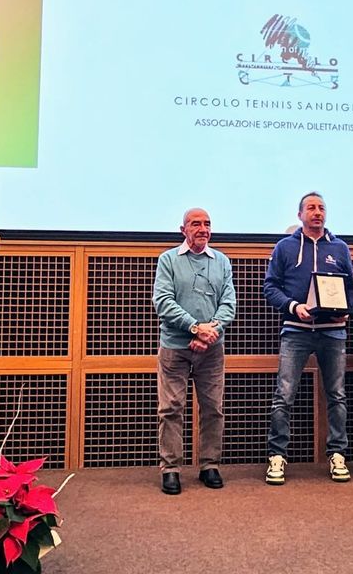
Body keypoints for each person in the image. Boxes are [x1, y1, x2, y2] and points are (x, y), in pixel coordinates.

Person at [263, 192, 353, 485]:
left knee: (337, 395)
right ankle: (277, 456)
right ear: (300, 214)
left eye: (321, 208)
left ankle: (337, 454)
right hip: (296, 331)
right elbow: (270, 287)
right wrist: (294, 307)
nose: (317, 212)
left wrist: (346, 310)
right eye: (311, 208)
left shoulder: (339, 248)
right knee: (284, 395)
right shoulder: (285, 247)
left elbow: (351, 289)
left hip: (332, 332)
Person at [153, 208, 236, 495]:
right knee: (170, 408)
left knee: (213, 408)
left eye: (207, 224)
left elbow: (229, 304)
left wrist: (209, 333)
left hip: (211, 348)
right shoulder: (168, 260)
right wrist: (194, 328)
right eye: (196, 224)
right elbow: (163, 301)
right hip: (175, 347)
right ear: (183, 230)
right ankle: (171, 469)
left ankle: (209, 465)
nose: (203, 229)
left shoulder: (222, 261)